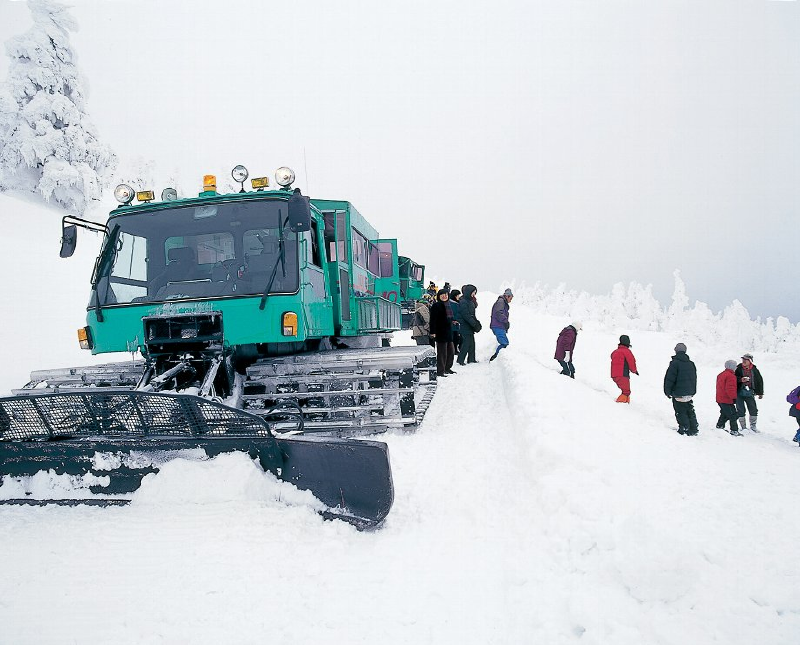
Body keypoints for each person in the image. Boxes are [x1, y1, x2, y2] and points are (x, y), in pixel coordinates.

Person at [663, 342, 699, 435]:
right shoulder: (691, 364)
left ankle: (684, 428)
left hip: (678, 393)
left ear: (676, 351)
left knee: (680, 411)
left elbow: (670, 379)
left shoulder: (674, 363)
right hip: (689, 393)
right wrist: (692, 391)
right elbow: (694, 378)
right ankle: (694, 428)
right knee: (690, 410)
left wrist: (667, 391)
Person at [429, 289, 456, 377]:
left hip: (448, 332)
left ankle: (447, 368)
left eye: (446, 295)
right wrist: (433, 332)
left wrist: (453, 321)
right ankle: (440, 371)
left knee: (451, 352)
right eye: (442, 295)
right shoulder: (436, 305)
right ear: (439, 296)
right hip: (440, 332)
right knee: (442, 353)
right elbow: (433, 320)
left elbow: (448, 318)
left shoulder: (448, 305)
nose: (444, 296)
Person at [735, 353, 763, 433]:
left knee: (753, 409)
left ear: (750, 361)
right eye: (743, 359)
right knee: (740, 409)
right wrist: (740, 380)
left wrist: (760, 392)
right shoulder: (738, 369)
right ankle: (743, 427)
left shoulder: (754, 370)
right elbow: (733, 378)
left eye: (746, 360)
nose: (744, 361)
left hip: (750, 392)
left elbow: (759, 381)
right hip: (739, 392)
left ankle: (753, 426)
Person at [456, 284, 481, 365]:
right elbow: (466, 315)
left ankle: (471, 359)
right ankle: (460, 360)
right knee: (466, 343)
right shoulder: (463, 302)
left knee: (472, 343)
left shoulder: (470, 301)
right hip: (464, 325)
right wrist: (474, 323)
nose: (474, 294)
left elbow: (472, 314)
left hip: (469, 325)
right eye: (473, 292)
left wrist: (475, 323)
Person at [716, 360, 742, 435]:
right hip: (726, 399)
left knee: (724, 413)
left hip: (720, 398)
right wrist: (734, 398)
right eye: (735, 366)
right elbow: (730, 388)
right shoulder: (731, 376)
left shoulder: (721, 374)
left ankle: (719, 426)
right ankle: (734, 430)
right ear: (732, 366)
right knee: (733, 415)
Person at [610, 334, 638, 403]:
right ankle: (619, 405)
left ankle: (626, 404)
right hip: (623, 375)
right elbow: (631, 362)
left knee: (625, 391)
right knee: (626, 392)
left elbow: (612, 356)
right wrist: (634, 371)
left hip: (614, 375)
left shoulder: (615, 351)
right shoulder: (627, 351)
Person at [489, 288, 513, 362]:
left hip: (499, 326)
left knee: (505, 343)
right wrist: (506, 321)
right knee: (504, 344)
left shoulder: (502, 302)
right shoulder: (501, 302)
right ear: (507, 296)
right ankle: (495, 359)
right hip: (498, 326)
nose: (511, 300)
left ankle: (496, 358)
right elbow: (498, 313)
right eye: (510, 298)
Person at [449, 289, 462, 355]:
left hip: (456, 324)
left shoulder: (456, 303)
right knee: (454, 338)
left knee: (456, 337)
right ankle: (453, 350)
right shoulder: (451, 304)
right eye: (458, 295)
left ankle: (455, 349)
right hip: (452, 324)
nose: (458, 297)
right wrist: (454, 320)